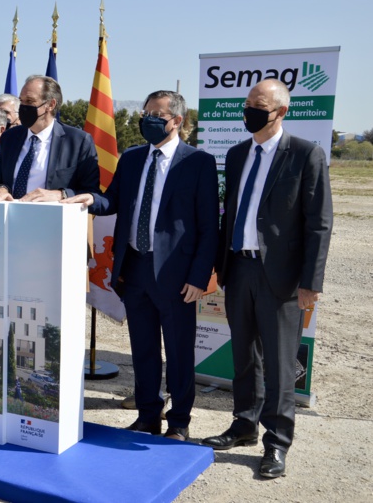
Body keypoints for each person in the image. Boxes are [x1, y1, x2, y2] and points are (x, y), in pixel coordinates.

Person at [63, 90, 219, 441]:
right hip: (134, 269)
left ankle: (179, 421)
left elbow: (210, 228)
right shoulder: (132, 158)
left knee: (179, 352)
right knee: (143, 348)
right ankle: (148, 415)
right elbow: (112, 201)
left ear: (176, 121)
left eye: (156, 114)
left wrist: (198, 276)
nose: (147, 119)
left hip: (177, 277)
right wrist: (87, 199)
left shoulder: (198, 162)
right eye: (145, 113)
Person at [202, 79, 333, 478]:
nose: (249, 111)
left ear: (281, 112)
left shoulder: (306, 154)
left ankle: (276, 443)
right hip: (239, 269)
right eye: (247, 104)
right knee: (244, 357)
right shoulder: (238, 153)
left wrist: (311, 282)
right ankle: (244, 425)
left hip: (282, 277)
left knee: (278, 365)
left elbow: (319, 223)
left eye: (258, 105)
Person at [0, 75, 100, 203]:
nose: (23, 107)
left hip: (52, 219)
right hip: (9, 217)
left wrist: (62, 194)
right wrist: (0, 190)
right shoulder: (9, 137)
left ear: (50, 104)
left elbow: (91, 192)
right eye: (21, 101)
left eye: (30, 101)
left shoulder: (78, 141)